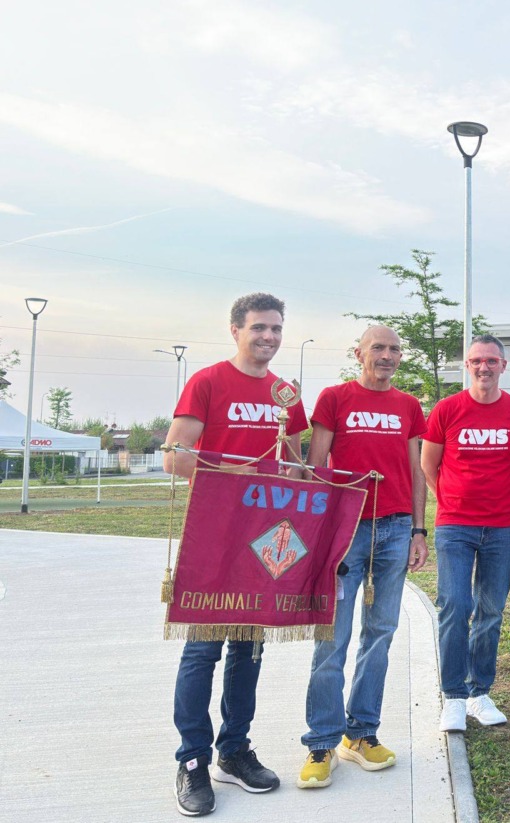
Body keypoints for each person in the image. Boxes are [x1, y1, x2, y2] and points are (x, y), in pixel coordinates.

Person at [163, 293, 308, 817]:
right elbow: (174, 457)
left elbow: (296, 461)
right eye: (259, 328)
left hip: (266, 541)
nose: (269, 337)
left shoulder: (285, 392)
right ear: (235, 330)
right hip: (214, 536)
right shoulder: (208, 382)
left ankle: (234, 749)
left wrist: (295, 478)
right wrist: (231, 471)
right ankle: (193, 759)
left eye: (276, 329)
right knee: (202, 652)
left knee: (248, 650)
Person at [297, 326, 429, 788]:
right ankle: (321, 741)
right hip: (346, 529)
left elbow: (416, 471)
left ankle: (362, 733)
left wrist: (418, 530)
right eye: (379, 348)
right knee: (331, 635)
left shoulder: (410, 407)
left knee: (380, 635)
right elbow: (316, 468)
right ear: (359, 354)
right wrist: (319, 532)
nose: (388, 355)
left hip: (394, 529)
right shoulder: (335, 398)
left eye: (395, 349)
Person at [422, 335, 510, 733]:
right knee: (454, 603)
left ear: (503, 365)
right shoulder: (447, 409)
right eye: (475, 361)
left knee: (491, 609)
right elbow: (428, 463)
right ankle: (453, 697)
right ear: (465, 366)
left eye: (490, 360)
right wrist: (452, 500)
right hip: (455, 526)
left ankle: (479, 692)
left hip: (502, 527)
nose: (483, 367)